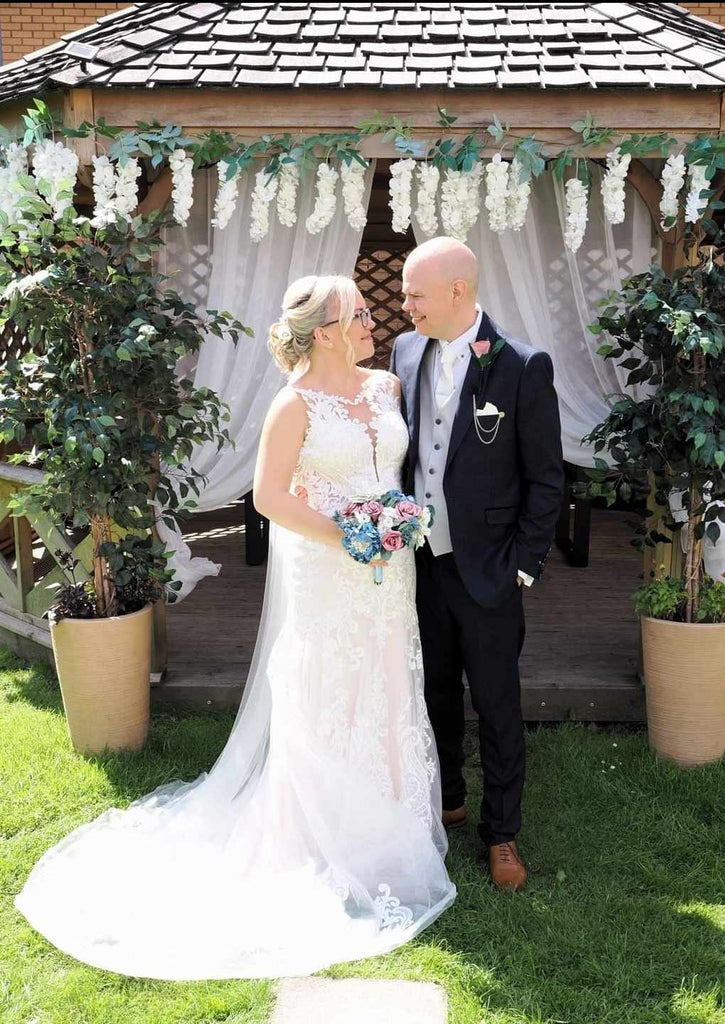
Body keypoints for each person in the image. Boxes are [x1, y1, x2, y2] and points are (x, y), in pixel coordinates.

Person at [13, 274, 456, 980]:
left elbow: (395, 473)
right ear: (329, 329)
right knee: (325, 688)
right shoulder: (293, 404)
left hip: (388, 572)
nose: (376, 321)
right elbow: (272, 498)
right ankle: (317, 838)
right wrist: (352, 533)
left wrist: (392, 522)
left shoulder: (385, 390)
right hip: (330, 568)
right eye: (362, 313)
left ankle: (390, 828)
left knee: (384, 683)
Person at [390, 237, 565, 891]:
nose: (405, 306)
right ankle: (449, 801)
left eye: (415, 294)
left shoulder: (521, 364)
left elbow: (545, 479)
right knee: (432, 693)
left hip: (492, 570)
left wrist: (525, 565)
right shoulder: (406, 353)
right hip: (422, 567)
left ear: (457, 292)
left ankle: (502, 833)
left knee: (496, 705)